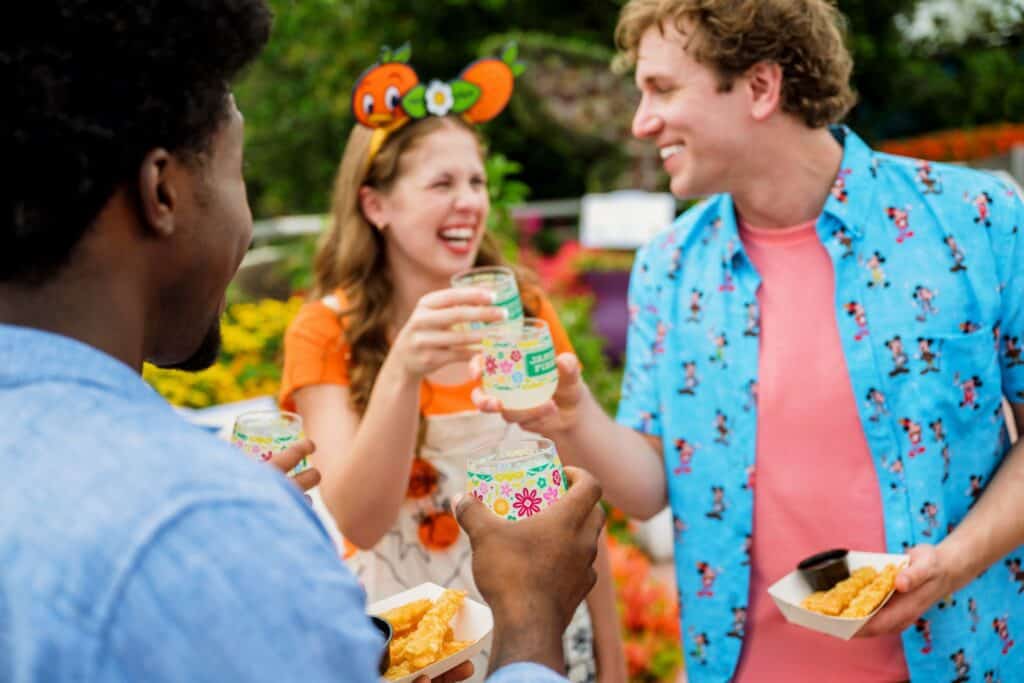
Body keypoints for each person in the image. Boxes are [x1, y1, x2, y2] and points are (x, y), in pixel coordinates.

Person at [0, 3, 606, 682]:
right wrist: (530, 625)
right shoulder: (191, 519)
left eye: (475, 181)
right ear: (162, 191)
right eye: (238, 172)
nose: (247, 220)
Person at [473, 0, 1024, 680]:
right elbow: (647, 488)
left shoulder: (978, 219)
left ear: (761, 86)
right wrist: (572, 415)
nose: (642, 122)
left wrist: (955, 563)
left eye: (662, 89)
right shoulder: (667, 266)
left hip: (965, 660)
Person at [279, 47, 626, 683]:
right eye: (442, 184)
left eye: (477, 182)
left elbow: (578, 502)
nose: (468, 201)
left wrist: (615, 661)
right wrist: (402, 370)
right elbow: (359, 520)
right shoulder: (324, 330)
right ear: (376, 206)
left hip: (551, 641)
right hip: (422, 654)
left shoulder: (523, 314)